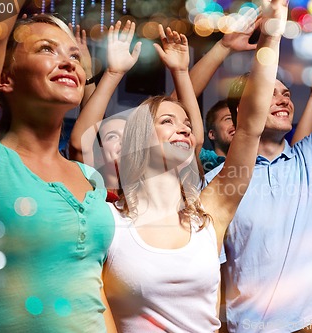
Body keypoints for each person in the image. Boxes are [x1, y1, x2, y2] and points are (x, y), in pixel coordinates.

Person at [102, 1, 288, 330]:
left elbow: (249, 128)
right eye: (168, 121)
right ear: (140, 139)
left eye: (188, 123)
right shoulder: (107, 223)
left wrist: (271, 38)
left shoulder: (209, 214)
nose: (186, 128)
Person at [205, 11, 312, 332]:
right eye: (269, 93)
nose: (283, 99)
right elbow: (207, 271)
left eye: (285, 93)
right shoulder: (215, 184)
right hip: (250, 327)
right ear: (242, 110)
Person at [0, 12, 116, 332]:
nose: (70, 63)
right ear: (4, 77)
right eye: (46, 49)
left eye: (75, 55)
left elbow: (92, 288)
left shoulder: (90, 178)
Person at [68, 20, 141, 197]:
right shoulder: (93, 190)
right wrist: (113, 73)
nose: (124, 142)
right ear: (98, 155)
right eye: (112, 136)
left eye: (129, 136)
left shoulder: (146, 196)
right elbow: (83, 141)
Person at [200, 99, 235, 173]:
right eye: (228, 118)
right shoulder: (203, 160)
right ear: (212, 134)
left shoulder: (257, 164)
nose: (235, 122)